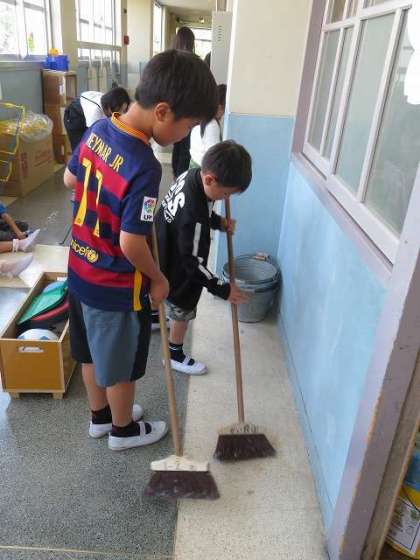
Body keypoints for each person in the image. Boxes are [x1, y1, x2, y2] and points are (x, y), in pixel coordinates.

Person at [63, 49, 218, 451]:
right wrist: (158, 277)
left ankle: (99, 418)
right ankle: (123, 431)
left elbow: (70, 180)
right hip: (114, 285)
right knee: (120, 367)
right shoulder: (144, 164)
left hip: (79, 268)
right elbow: (131, 242)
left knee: (88, 353)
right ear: (163, 112)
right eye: (188, 127)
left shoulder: (98, 130)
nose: (185, 136)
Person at [155, 141, 252, 376]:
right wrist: (222, 288)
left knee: (161, 290)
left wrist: (218, 222)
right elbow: (193, 264)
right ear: (210, 179)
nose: (227, 198)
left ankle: (154, 317)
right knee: (184, 305)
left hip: (161, 248)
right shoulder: (194, 215)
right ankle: (174, 354)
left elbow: (200, 211)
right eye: (226, 193)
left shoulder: (191, 175)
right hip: (179, 264)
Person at [64, 86, 131, 151]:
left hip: (85, 105)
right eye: (120, 110)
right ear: (111, 108)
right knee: (81, 149)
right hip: (74, 115)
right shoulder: (94, 112)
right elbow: (94, 137)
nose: (121, 114)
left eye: (124, 111)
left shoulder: (109, 100)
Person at [171, 26, 196, 178]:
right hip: (189, 111)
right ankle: (181, 179)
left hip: (173, 110)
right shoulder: (195, 63)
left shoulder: (170, 60)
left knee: (177, 144)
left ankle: (175, 175)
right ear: (191, 42)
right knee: (186, 147)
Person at [190, 84, 226, 168]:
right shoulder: (212, 125)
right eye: (224, 109)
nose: (224, 114)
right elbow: (214, 155)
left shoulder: (202, 118)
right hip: (203, 169)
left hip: (194, 165)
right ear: (219, 107)